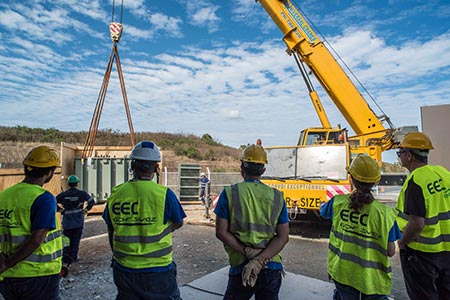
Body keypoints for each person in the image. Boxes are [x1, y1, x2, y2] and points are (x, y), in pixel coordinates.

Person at [102, 141, 186, 300]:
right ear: (155, 168)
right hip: (157, 270)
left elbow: (110, 227)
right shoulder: (164, 194)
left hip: (124, 268)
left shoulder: (116, 194)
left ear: (133, 165)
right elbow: (179, 222)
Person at [320, 154, 401, 300]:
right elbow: (390, 251)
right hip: (373, 279)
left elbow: (322, 211)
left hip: (343, 273)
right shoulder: (386, 214)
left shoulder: (337, 203)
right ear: (376, 181)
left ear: (351, 178)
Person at [214, 144, 289, 299]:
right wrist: (260, 260)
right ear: (263, 170)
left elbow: (221, 232)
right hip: (271, 266)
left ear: (242, 167)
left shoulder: (230, 193)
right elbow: (283, 237)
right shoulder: (276, 196)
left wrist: (248, 252)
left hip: (242, 265)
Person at [0, 145, 63, 300]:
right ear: (49, 172)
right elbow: (36, 240)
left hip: (8, 277)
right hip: (37, 274)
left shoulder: (4, 196)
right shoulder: (44, 198)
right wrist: (8, 263)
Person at [395, 131, 450, 300]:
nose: (399, 157)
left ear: (409, 155)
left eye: (400, 153)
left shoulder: (415, 181)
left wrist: (403, 242)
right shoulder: (443, 173)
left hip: (421, 254)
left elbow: (416, 224)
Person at [56, 175, 95, 264]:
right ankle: (73, 257)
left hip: (67, 221)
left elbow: (53, 201)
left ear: (68, 183)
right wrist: (86, 209)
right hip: (78, 220)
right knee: (76, 239)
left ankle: (66, 256)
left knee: (67, 239)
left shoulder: (64, 194)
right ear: (77, 184)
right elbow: (91, 201)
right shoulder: (82, 194)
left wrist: (60, 210)